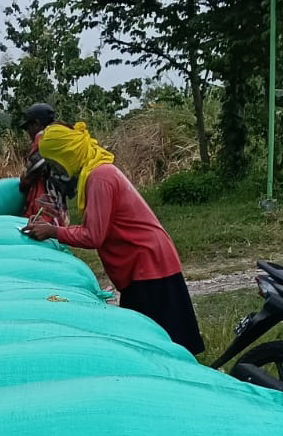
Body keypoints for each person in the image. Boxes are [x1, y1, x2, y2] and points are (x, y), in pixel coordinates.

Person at [24, 122, 205, 355]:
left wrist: (53, 232)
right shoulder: (96, 172)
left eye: (54, 163)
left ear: (65, 155)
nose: (55, 170)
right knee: (148, 340)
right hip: (142, 263)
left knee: (160, 345)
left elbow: (93, 236)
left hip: (147, 264)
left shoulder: (99, 177)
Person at [18, 103, 68, 225]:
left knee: (39, 233)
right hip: (59, 202)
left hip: (45, 202)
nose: (28, 131)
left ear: (37, 124)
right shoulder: (62, 139)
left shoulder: (43, 139)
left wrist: (23, 181)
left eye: (28, 127)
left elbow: (30, 174)